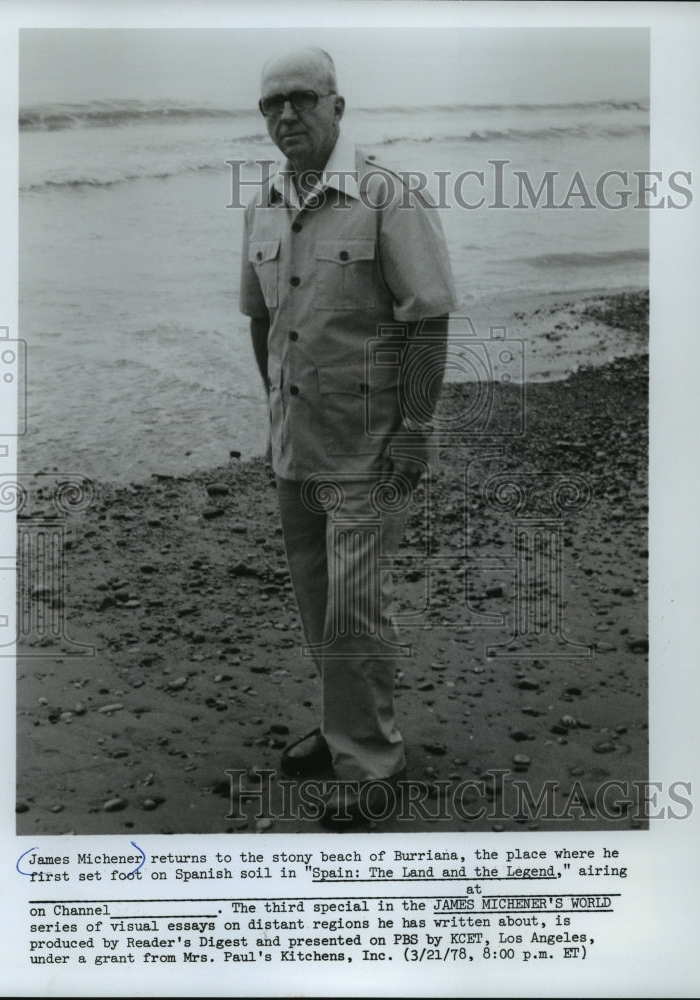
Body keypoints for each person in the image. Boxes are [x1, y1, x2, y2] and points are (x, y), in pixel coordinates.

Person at [238, 47, 458, 825]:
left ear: (338, 106)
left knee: (355, 608)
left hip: (367, 446)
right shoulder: (262, 202)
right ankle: (344, 733)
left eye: (301, 99)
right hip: (294, 444)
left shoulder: (385, 196)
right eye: (272, 104)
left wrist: (416, 430)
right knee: (315, 599)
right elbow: (261, 320)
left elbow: (426, 318)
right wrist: (271, 412)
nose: (285, 116)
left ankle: (373, 764)